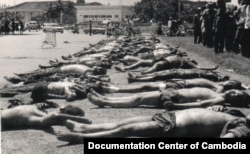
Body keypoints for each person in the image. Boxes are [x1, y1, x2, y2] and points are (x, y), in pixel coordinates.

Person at [54, 108, 243, 141]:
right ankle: (86, 128)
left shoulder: (244, 128)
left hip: (174, 127)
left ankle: (81, 137)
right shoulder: (238, 115)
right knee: (124, 122)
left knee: (126, 130)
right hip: (169, 116)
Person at [87, 88, 250, 109]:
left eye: (237, 96)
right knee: (138, 97)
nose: (234, 92)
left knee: (138, 101)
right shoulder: (220, 91)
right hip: (174, 92)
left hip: (176, 98)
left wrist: (175, 106)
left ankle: (104, 103)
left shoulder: (219, 100)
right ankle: (105, 99)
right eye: (237, 91)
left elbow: (200, 104)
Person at [1, 104, 92, 131]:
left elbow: (54, 115)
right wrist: (79, 119)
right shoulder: (41, 115)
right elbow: (54, 115)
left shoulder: (36, 111)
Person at [101, 78, 248, 93]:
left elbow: (219, 91)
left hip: (179, 87)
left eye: (232, 84)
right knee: (147, 85)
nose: (230, 81)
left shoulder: (218, 87)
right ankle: (116, 88)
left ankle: (115, 89)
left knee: (147, 88)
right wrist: (244, 87)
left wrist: (242, 87)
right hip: (178, 83)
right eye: (232, 80)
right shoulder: (217, 84)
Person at [115, 55, 217, 73]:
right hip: (161, 60)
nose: (190, 58)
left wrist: (211, 68)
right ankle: (125, 68)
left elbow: (199, 68)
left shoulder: (189, 63)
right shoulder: (181, 57)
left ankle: (145, 73)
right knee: (141, 62)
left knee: (156, 66)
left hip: (166, 63)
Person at [127, 68, 229, 83]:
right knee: (156, 74)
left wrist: (220, 79)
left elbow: (219, 80)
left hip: (178, 74)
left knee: (156, 77)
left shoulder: (208, 76)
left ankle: (135, 80)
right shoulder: (206, 73)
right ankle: (136, 77)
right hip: (178, 71)